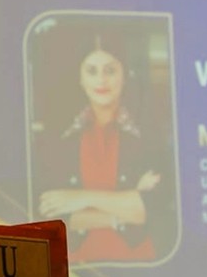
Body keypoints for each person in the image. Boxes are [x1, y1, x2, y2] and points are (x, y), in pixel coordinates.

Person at [37, 38, 162, 263]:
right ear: (81, 79)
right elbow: (52, 213)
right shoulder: (61, 140)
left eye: (110, 70)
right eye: (92, 71)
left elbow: (148, 209)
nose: (101, 79)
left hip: (137, 266)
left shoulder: (147, 137)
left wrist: (78, 198)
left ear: (124, 76)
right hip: (78, 269)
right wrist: (121, 210)